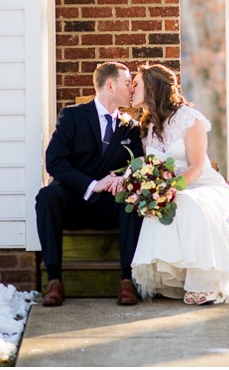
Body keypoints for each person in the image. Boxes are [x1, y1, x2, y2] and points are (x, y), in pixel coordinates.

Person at [118, 63, 229, 307]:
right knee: (161, 207)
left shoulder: (189, 118)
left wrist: (169, 189)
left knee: (185, 202)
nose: (132, 89)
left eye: (137, 84)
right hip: (173, 188)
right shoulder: (149, 127)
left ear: (153, 87)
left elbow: (196, 166)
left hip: (203, 186)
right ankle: (178, 278)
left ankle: (205, 284)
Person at [35, 61, 145, 306]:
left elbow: (138, 164)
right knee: (46, 197)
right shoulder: (73, 116)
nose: (131, 89)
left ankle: (127, 281)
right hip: (75, 200)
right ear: (109, 84)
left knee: (132, 200)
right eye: (127, 83)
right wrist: (91, 184)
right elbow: (54, 162)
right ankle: (54, 280)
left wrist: (124, 178)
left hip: (110, 205)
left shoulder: (131, 127)